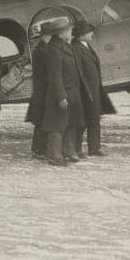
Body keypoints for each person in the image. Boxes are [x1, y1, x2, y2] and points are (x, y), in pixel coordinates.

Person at [42, 17, 85, 166]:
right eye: (69, 30)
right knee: (57, 125)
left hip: (71, 93)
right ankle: (54, 156)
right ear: (60, 33)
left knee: (70, 123)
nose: (71, 32)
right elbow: (55, 76)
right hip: (60, 94)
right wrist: (61, 96)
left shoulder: (66, 47)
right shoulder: (53, 50)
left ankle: (68, 151)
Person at [71, 20, 116, 158]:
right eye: (88, 32)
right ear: (81, 35)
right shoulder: (76, 48)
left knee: (95, 118)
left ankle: (94, 148)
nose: (92, 34)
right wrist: (85, 90)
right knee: (83, 120)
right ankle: (76, 149)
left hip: (94, 88)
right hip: (86, 90)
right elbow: (78, 72)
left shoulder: (85, 45)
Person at [24, 20, 57, 159]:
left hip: (41, 91)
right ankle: (38, 150)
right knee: (42, 121)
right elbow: (46, 73)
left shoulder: (42, 48)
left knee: (42, 121)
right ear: (47, 35)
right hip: (43, 91)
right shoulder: (43, 50)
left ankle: (39, 149)